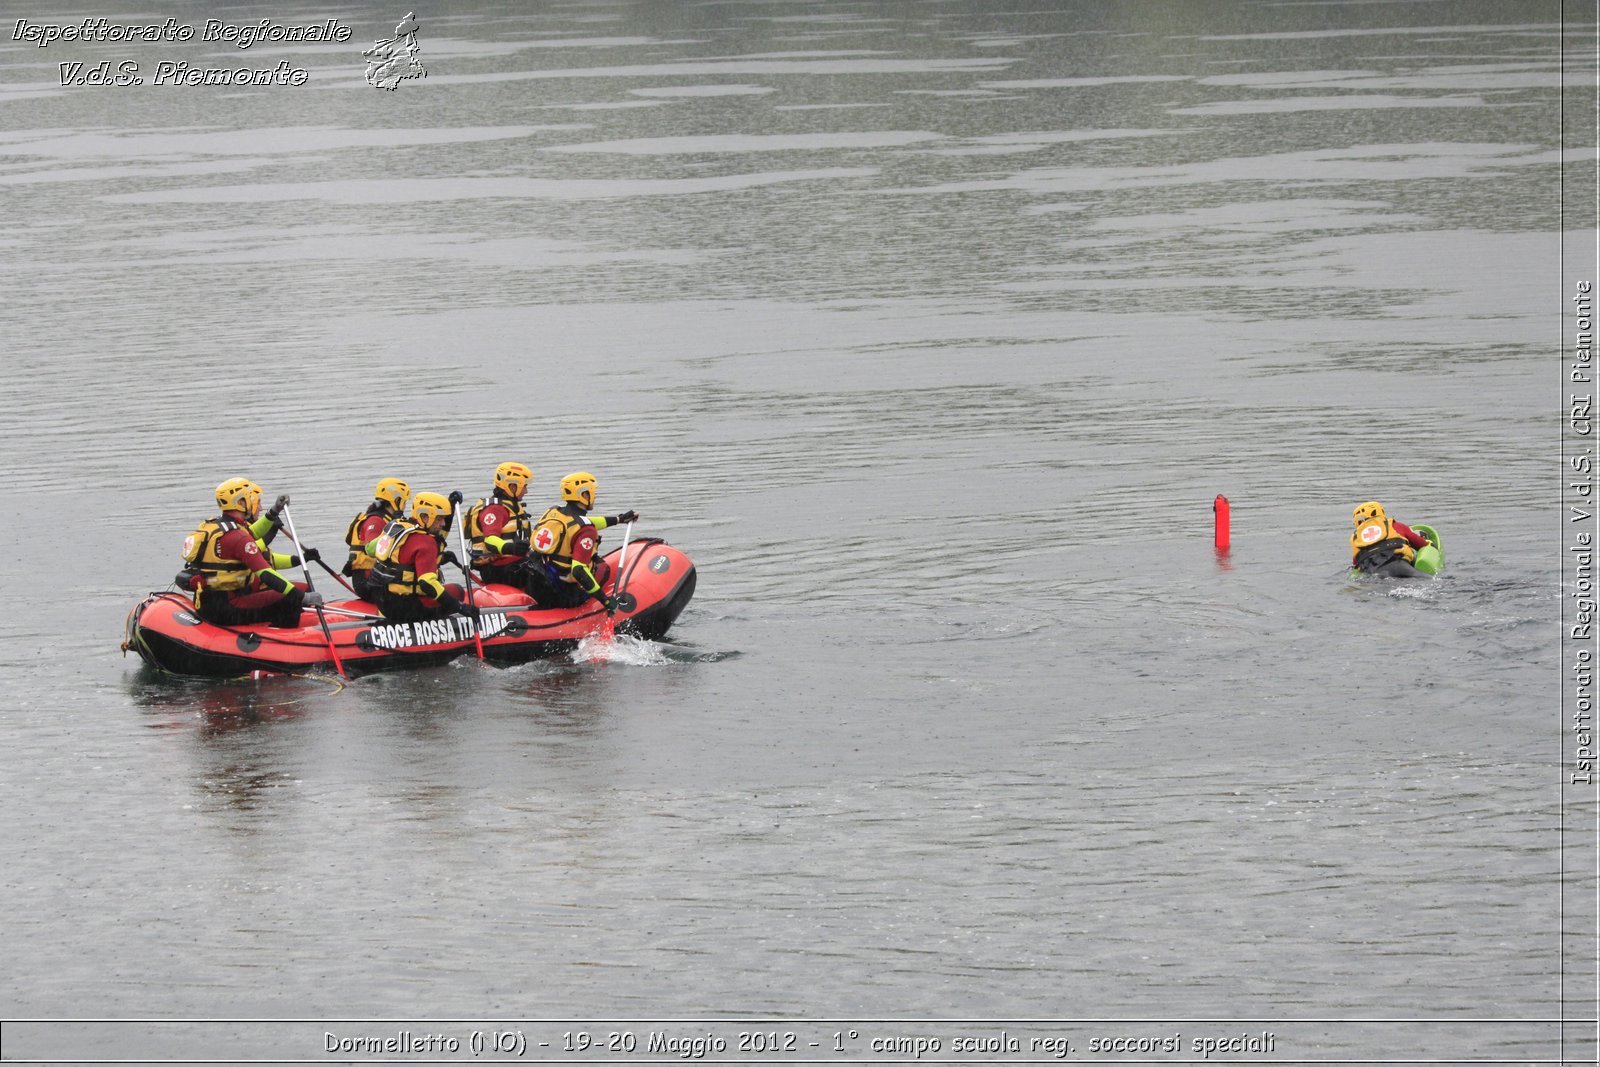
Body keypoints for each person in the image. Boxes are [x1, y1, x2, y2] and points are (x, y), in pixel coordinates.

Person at [181, 477, 321, 628]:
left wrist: (274, 511)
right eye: (251, 499)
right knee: (292, 597)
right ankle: (285, 639)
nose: (256, 506)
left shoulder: (219, 526)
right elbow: (266, 573)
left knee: (291, 592)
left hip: (208, 604)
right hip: (226, 609)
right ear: (240, 503)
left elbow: (251, 532)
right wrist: (302, 597)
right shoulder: (237, 537)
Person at [527, 471, 639, 610]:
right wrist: (605, 601)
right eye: (592, 493)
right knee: (602, 568)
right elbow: (578, 570)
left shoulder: (552, 512)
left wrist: (619, 519)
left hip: (538, 587)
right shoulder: (586, 530)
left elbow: (582, 523)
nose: (594, 496)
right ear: (584, 495)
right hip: (562, 595)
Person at [367, 491, 480, 623]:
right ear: (425, 517)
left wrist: (451, 505)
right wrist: (460, 607)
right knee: (457, 591)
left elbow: (370, 549)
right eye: (439, 519)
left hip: (383, 602)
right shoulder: (426, 542)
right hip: (407, 609)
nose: (443, 523)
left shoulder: (395, 527)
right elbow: (427, 583)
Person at [464, 462, 537, 592]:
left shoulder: (510, 506)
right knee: (541, 573)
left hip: (509, 565)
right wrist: (511, 548)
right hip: (497, 569)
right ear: (512, 487)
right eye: (524, 486)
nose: (526, 491)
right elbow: (490, 540)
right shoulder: (495, 510)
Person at [342, 477, 411, 602]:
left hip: (378, 579)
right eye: (405, 502)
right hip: (369, 583)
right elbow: (371, 549)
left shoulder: (389, 519)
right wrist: (394, 529)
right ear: (397, 500)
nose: (405, 505)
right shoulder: (375, 520)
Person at [1350, 500, 1432, 575]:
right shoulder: (1394, 525)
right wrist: (1429, 543)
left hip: (1373, 575)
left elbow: (1356, 565)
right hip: (1399, 567)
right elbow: (1421, 544)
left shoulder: (1355, 539)